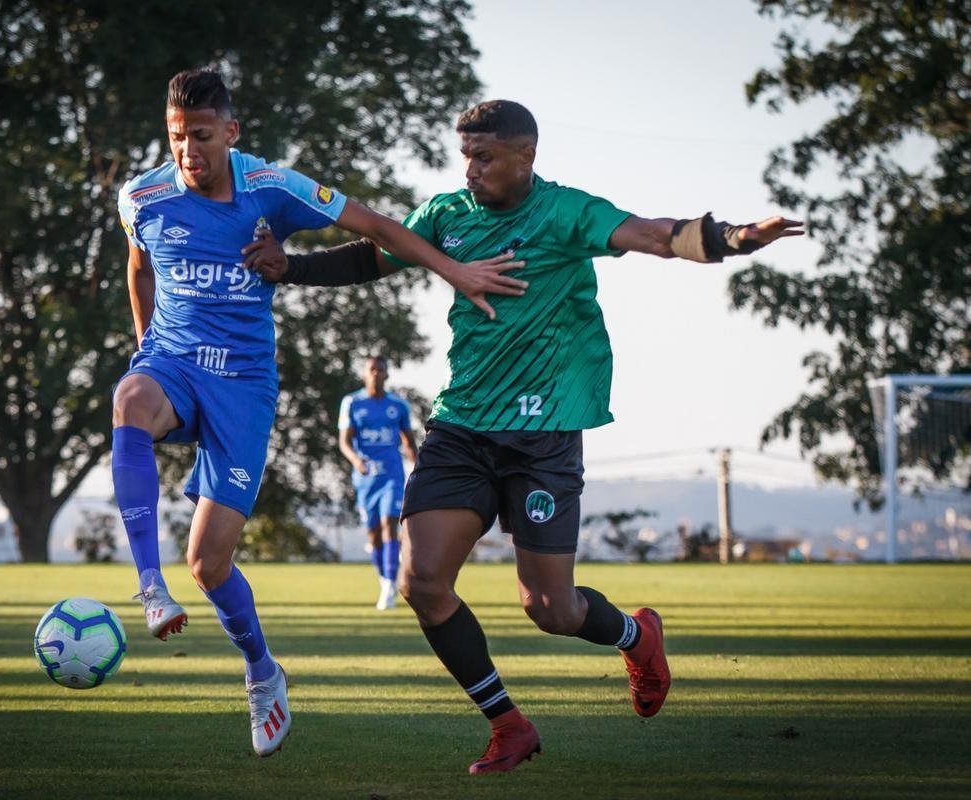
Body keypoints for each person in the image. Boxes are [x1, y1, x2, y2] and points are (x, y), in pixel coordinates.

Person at [242, 99, 802, 772]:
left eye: (484, 157)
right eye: (465, 156)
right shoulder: (447, 215)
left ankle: (635, 635)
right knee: (423, 583)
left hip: (543, 438)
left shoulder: (566, 211)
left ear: (524, 156)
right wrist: (290, 267)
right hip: (461, 426)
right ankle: (508, 724)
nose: (470, 169)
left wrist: (733, 238)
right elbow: (375, 256)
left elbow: (655, 235)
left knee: (549, 608)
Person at [111, 71, 526, 758]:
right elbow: (139, 266)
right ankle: (147, 586)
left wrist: (453, 270)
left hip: (242, 387)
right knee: (128, 397)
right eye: (177, 137)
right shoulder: (141, 197)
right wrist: (145, 346)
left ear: (232, 134)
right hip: (175, 365)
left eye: (203, 137)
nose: (188, 152)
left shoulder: (272, 187)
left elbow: (378, 228)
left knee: (210, 565)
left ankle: (261, 671)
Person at [338, 356, 418, 609]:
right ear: (364, 374)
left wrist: (419, 470)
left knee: (389, 524)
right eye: (372, 369)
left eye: (380, 370)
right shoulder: (352, 402)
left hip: (392, 473)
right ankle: (384, 578)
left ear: (386, 374)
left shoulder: (398, 405)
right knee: (373, 534)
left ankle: (389, 586)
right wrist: (356, 460)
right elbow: (345, 441)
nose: (376, 373)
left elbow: (408, 441)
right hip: (365, 478)